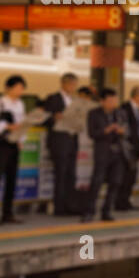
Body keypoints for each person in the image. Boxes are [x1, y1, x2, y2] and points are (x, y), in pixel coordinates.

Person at [0, 74, 28, 225]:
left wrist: (21, 139)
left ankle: (7, 212)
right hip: (1, 143)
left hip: (14, 143)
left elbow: (22, 123)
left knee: (11, 178)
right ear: (9, 87)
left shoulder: (20, 104)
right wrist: (7, 126)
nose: (20, 91)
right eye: (18, 88)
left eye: (22, 88)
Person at [82, 88, 127, 222]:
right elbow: (92, 133)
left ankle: (107, 211)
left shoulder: (120, 113)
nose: (113, 103)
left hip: (118, 151)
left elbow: (127, 130)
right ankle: (89, 211)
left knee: (115, 182)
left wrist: (121, 131)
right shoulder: (94, 114)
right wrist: (106, 130)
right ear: (102, 101)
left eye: (115, 100)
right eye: (110, 100)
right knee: (97, 181)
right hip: (102, 151)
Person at [39, 72, 79, 217]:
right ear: (64, 84)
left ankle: (71, 205)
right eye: (71, 84)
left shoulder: (75, 100)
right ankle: (59, 207)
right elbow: (43, 118)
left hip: (72, 140)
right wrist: (54, 117)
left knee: (71, 174)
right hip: (59, 141)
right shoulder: (53, 99)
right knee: (60, 174)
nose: (73, 87)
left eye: (75, 85)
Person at [116, 85, 139, 211]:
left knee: (132, 176)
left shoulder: (138, 110)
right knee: (125, 176)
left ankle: (126, 200)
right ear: (137, 95)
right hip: (127, 148)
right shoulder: (125, 108)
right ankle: (120, 202)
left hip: (136, 148)